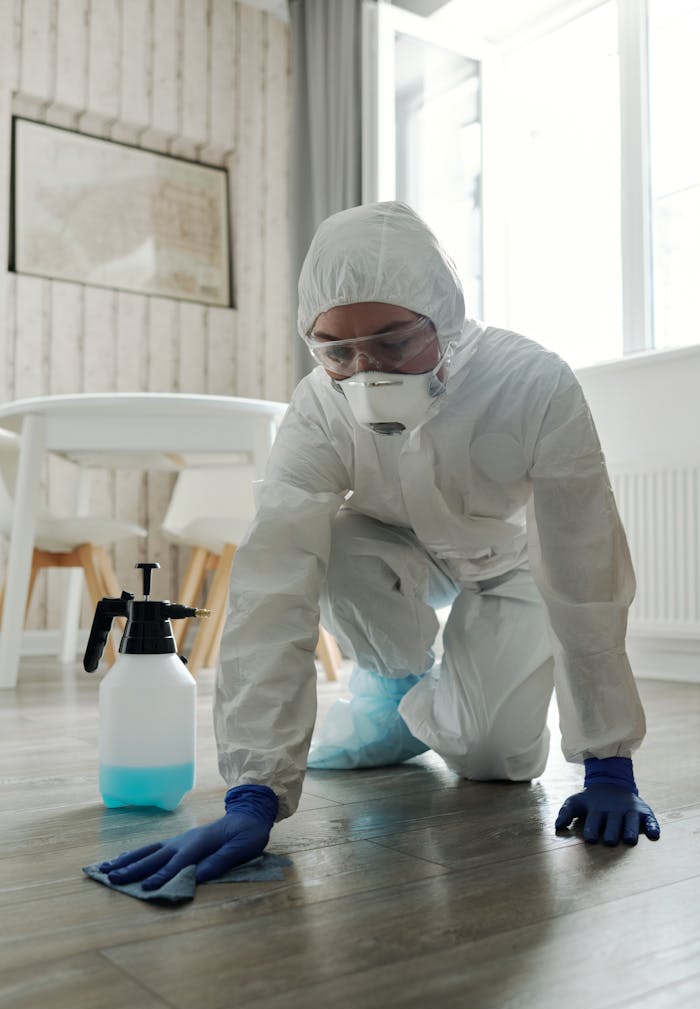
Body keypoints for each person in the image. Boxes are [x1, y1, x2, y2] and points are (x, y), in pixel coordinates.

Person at [100, 201, 660, 891]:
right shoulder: (320, 407)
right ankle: (395, 685)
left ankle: (441, 694)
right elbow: (274, 578)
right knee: (322, 539)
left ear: (445, 320)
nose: (367, 372)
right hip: (392, 551)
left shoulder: (532, 383)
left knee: (495, 760)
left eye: (394, 344)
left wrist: (607, 758)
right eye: (338, 352)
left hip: (505, 562)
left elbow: (582, 559)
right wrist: (254, 790)